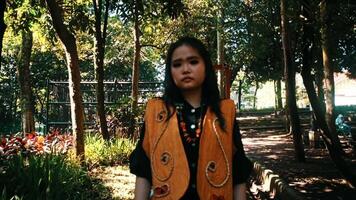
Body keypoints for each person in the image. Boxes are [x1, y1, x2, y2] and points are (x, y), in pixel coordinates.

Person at [129, 36, 252, 200]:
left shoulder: (225, 112)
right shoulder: (157, 112)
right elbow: (143, 170)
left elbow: (238, 172)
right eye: (177, 64)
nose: (185, 69)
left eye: (193, 62)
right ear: (170, 71)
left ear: (206, 67)